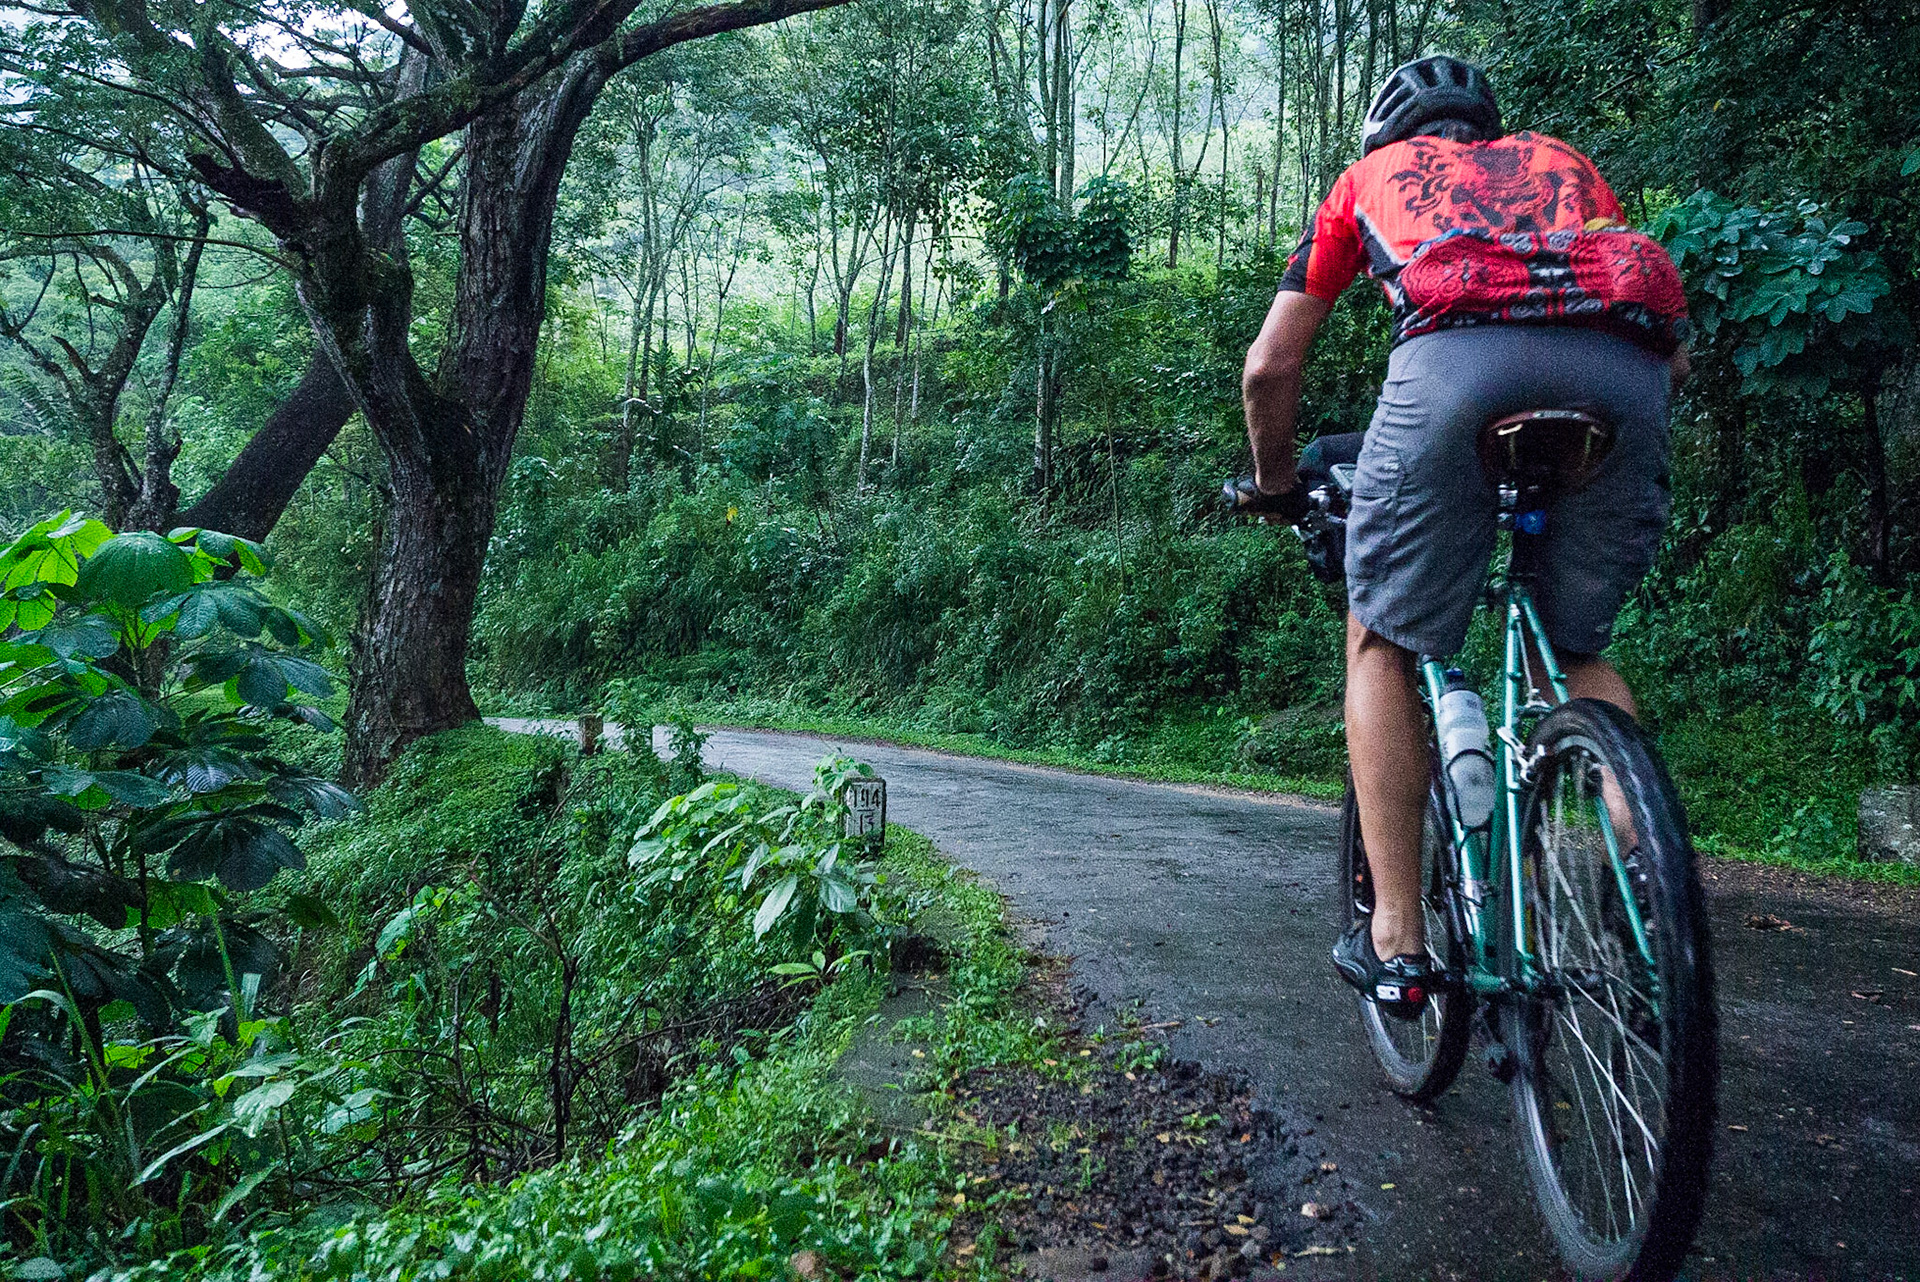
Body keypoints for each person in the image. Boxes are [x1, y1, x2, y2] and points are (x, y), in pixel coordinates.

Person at [1237, 55, 1691, 1016]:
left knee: (1381, 640)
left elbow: (1270, 368)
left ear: (1388, 135)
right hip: (1625, 379)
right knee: (1575, 649)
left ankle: (1398, 939)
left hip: (1454, 372)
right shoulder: (1563, 162)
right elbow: (1666, 340)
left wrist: (1276, 485)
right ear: (1486, 129)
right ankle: (1650, 885)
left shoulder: (1368, 179)